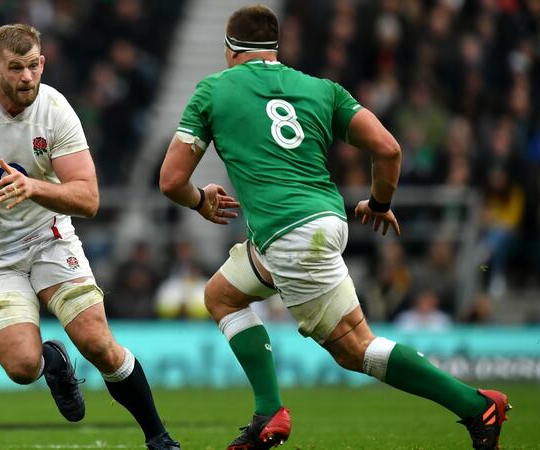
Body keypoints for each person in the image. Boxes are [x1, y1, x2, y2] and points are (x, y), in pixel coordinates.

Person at [159, 5, 510, 450]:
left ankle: (476, 405)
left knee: (356, 349)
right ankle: (268, 411)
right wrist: (380, 202)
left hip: (291, 235)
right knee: (221, 295)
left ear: (230, 50)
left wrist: (200, 199)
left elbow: (171, 180)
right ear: (275, 50)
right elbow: (388, 148)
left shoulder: (212, 90)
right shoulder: (321, 88)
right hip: (323, 220)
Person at [0, 24, 179, 450]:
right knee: (23, 367)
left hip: (49, 237)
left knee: (98, 343)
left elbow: (89, 198)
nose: (27, 77)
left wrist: (36, 188)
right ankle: (52, 362)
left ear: (42, 62)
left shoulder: (56, 111)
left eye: (33, 66)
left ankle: (158, 437)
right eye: (15, 68)